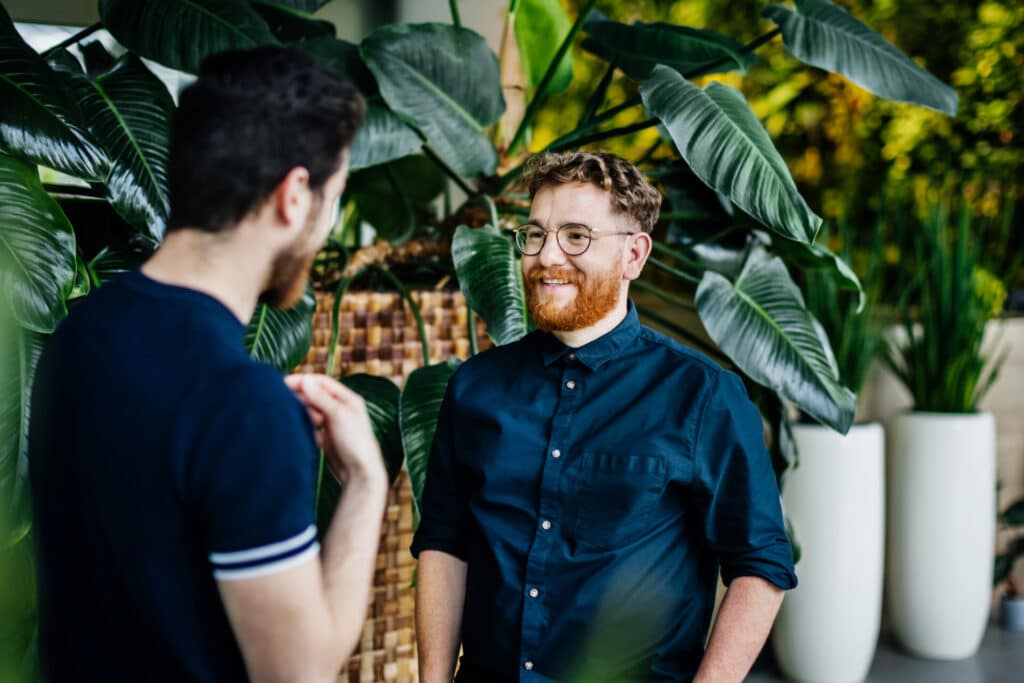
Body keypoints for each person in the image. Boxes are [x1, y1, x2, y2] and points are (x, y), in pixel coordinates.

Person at [28, 47, 387, 682]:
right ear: (295, 196)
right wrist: (366, 486)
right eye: (335, 196)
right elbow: (297, 675)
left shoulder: (78, 333)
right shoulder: (244, 404)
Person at [412, 151, 798, 683]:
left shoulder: (704, 396)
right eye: (536, 234)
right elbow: (444, 541)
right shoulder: (475, 388)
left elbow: (761, 564)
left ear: (634, 256)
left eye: (576, 236)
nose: (547, 256)